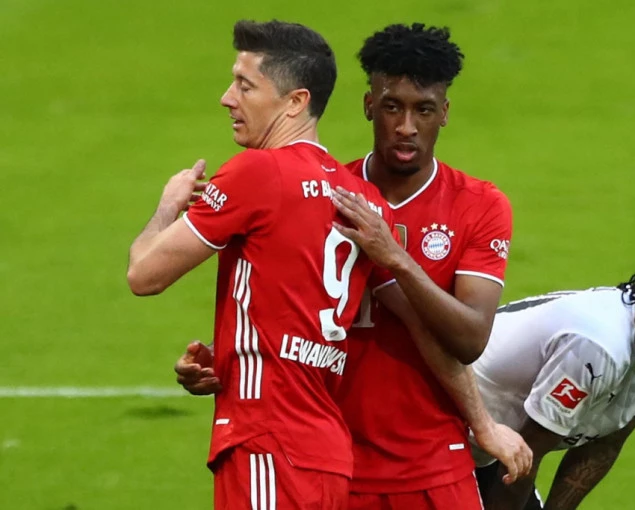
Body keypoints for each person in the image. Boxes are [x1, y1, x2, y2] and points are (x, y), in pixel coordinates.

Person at [176, 23, 530, 510]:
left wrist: (396, 258)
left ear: (444, 113)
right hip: (334, 462)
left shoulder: (479, 205)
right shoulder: (319, 193)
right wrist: (224, 361)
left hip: (434, 464)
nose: (406, 127)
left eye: (424, 110)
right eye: (392, 107)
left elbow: (469, 339)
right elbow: (281, 313)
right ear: (368, 106)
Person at [127, 19, 399, 510]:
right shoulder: (364, 199)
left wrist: (168, 206)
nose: (227, 98)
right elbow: (307, 309)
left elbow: (143, 275)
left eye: (244, 85)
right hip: (327, 455)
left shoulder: (258, 172)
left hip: (266, 441)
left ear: (295, 102)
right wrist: (234, 352)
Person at [471, 251, 635, 510]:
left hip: (496, 447)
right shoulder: (599, 345)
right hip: (452, 426)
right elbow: (531, 448)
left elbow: (605, 445)